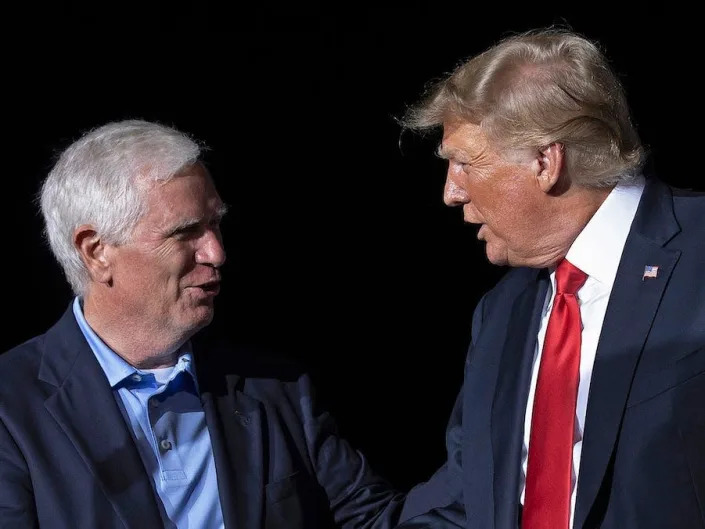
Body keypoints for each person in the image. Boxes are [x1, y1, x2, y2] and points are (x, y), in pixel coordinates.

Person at [0, 120, 404, 528]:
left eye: (215, 226)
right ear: (97, 251)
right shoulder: (11, 406)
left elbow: (374, 520)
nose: (216, 252)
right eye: (185, 232)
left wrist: (469, 446)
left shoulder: (274, 387)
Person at [395, 29, 705, 529]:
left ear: (545, 161)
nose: (451, 193)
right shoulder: (501, 313)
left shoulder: (698, 256)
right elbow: (464, 500)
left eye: (463, 163)